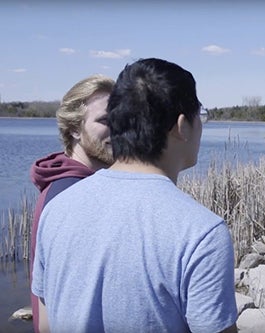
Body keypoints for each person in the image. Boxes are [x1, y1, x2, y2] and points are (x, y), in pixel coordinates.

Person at [31, 58, 238, 333]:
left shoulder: (57, 209)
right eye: (200, 116)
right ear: (182, 126)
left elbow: (45, 325)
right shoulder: (201, 233)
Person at [29, 74, 115, 333]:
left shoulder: (71, 183)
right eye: (105, 121)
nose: (118, 130)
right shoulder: (71, 193)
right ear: (75, 129)